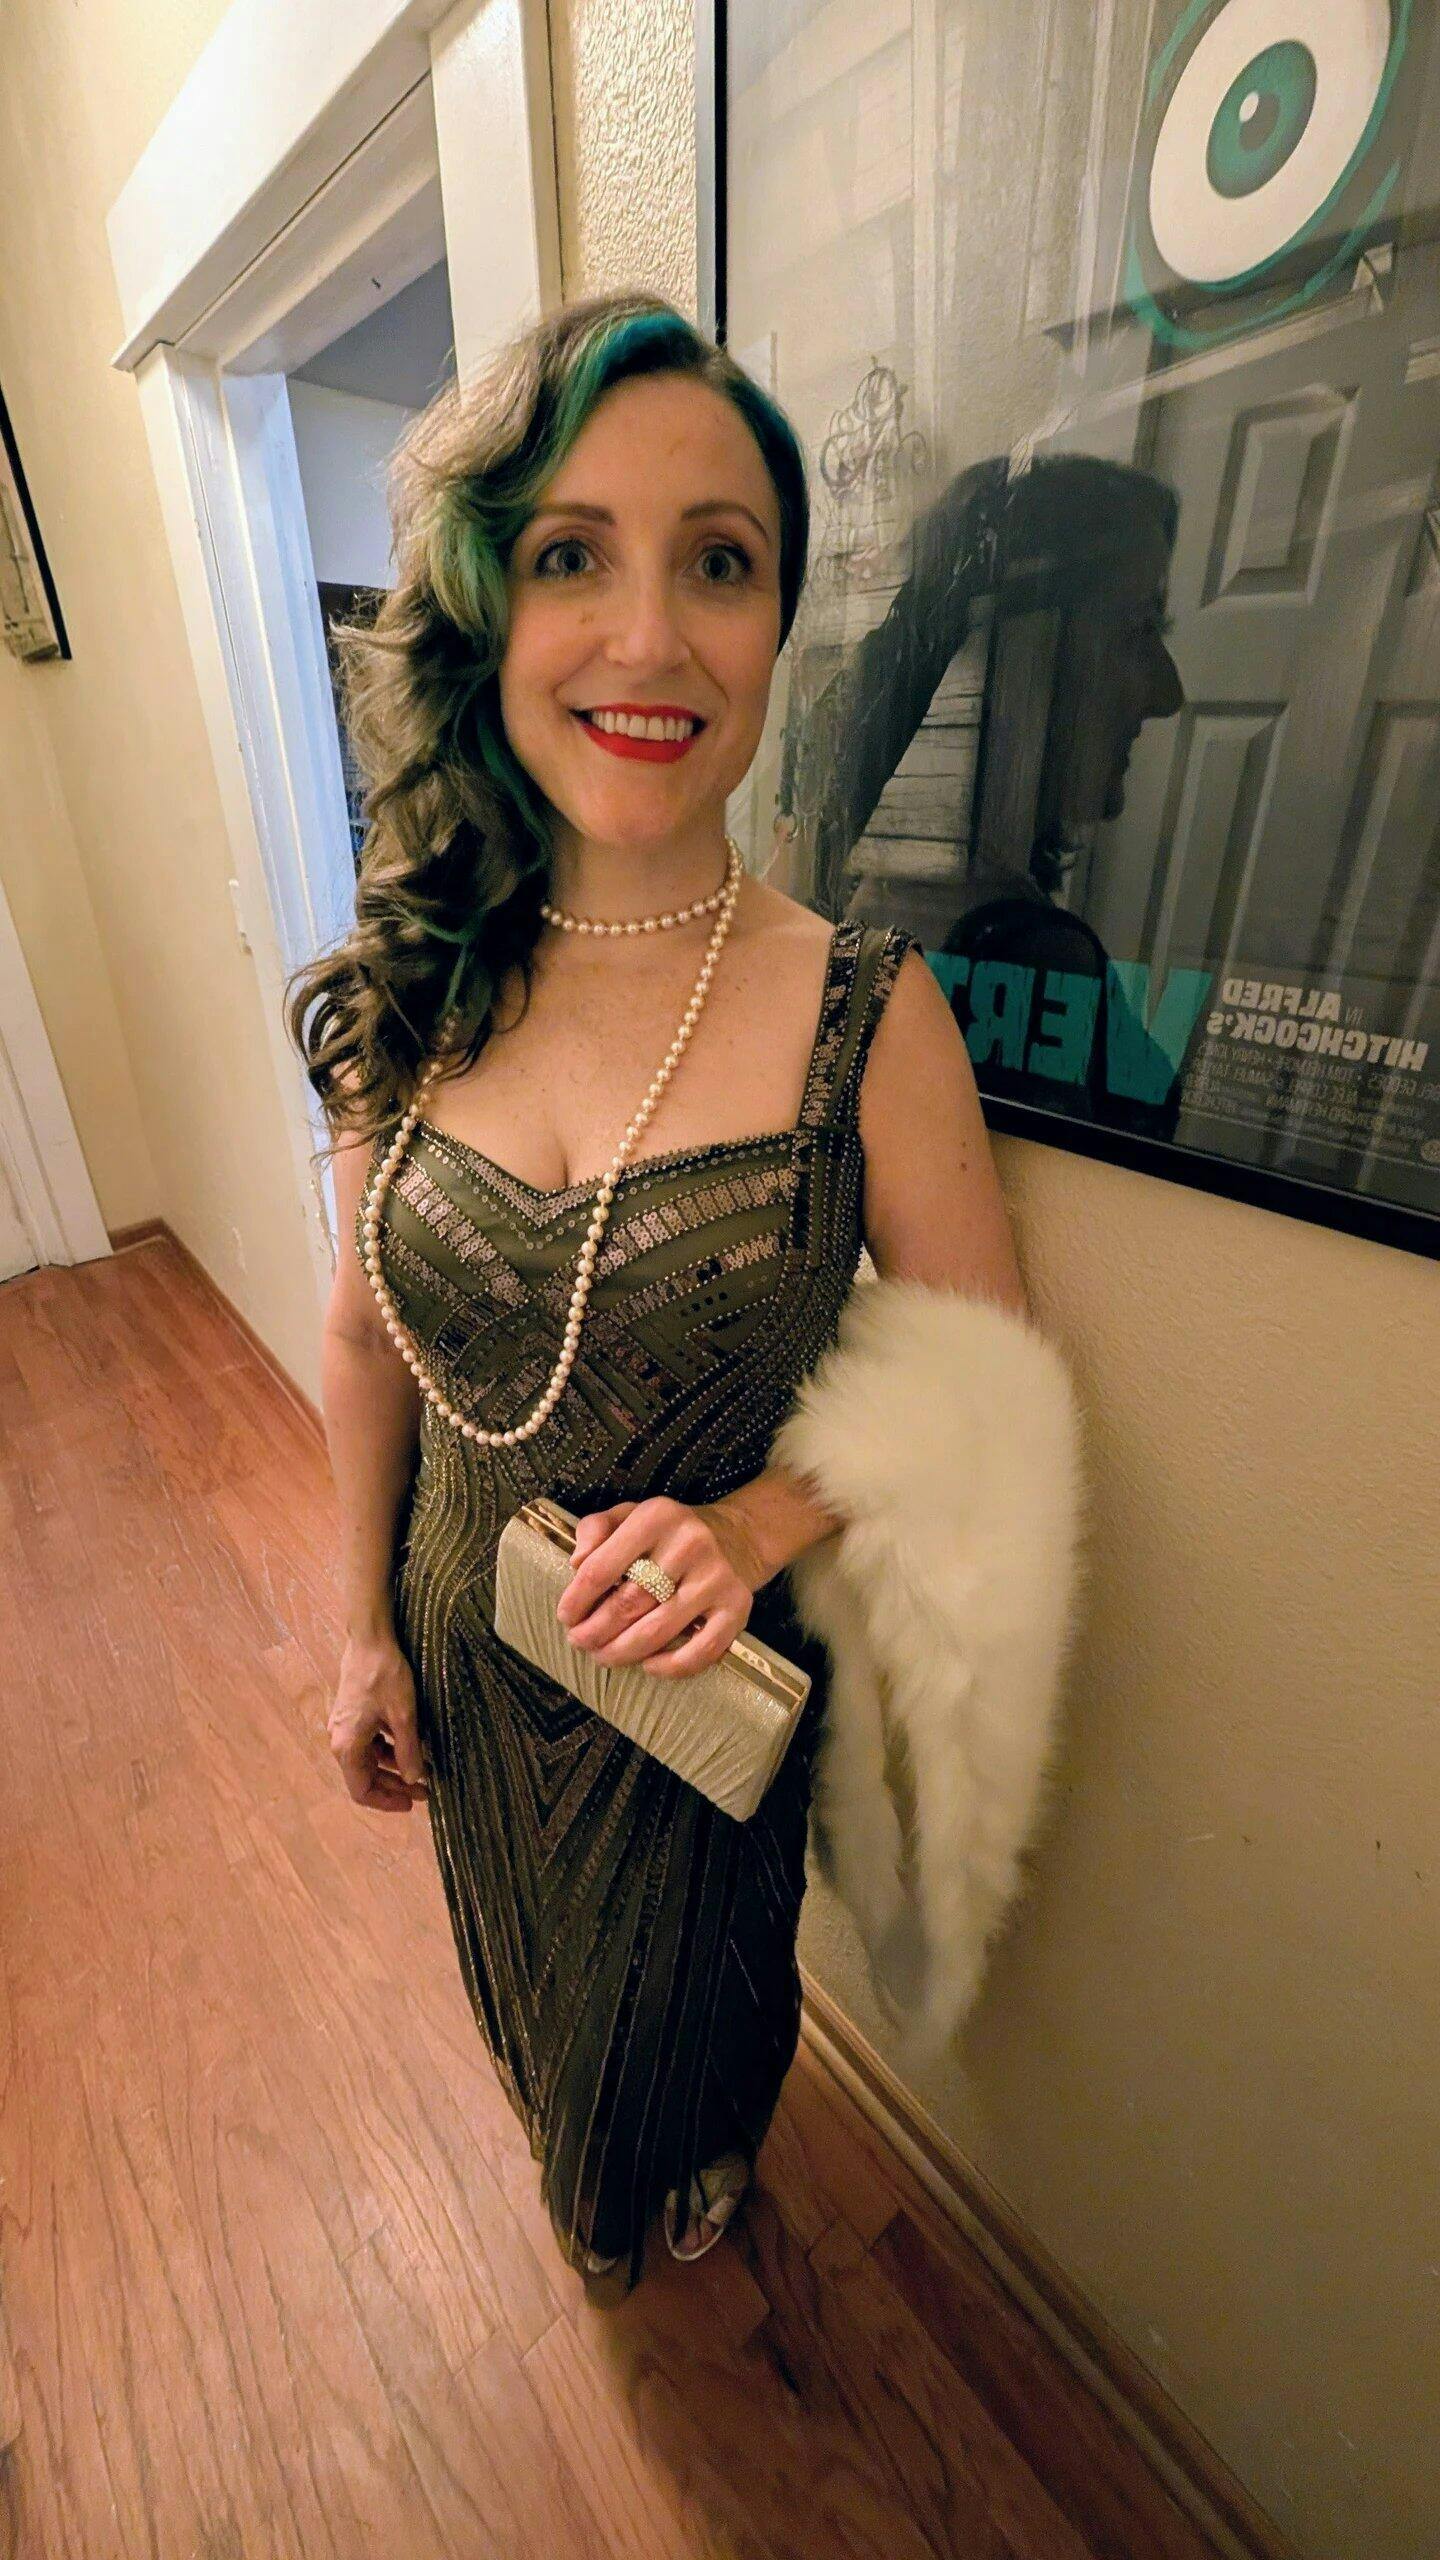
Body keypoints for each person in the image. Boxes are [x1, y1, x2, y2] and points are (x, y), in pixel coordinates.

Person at [286, 290, 1068, 2293]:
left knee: (691, 2034)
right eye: (573, 556)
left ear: (780, 617)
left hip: (692, 1707)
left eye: (717, 561)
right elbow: (364, 1334)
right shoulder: (412, 981)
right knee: (526, 1988)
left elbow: (987, 1371)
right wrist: (357, 1628)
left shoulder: (868, 1013)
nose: (648, 637)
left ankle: (675, 2177)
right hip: (469, 1652)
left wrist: (759, 1524)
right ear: (490, 606)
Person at [784, 451, 1188, 1134]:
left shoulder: (857, 896)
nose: (1169, 693)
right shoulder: (1029, 958)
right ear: (1019, 657)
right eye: (1137, 630)